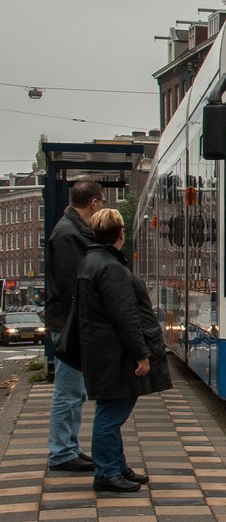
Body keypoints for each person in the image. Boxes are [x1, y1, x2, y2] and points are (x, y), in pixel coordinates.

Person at [76, 208, 172, 493]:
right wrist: (141, 355)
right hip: (115, 354)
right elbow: (125, 316)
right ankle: (107, 472)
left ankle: (116, 466)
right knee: (111, 415)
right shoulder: (111, 268)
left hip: (102, 352)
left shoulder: (92, 262)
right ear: (120, 233)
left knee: (111, 411)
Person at [45, 179, 105, 473]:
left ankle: (68, 447)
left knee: (73, 390)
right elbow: (74, 283)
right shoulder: (69, 234)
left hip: (69, 320)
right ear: (93, 203)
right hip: (69, 322)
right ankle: (61, 452)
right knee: (68, 390)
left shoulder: (71, 229)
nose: (102, 207)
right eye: (102, 202)